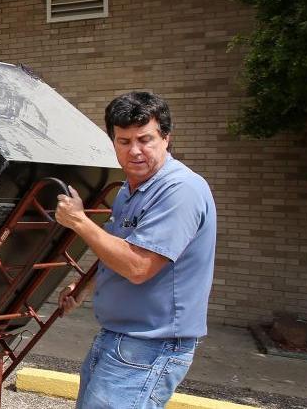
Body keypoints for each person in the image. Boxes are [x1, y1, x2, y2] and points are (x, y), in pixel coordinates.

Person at [54, 91, 216, 409]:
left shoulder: (180, 190)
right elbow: (120, 250)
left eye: (145, 139)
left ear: (166, 138)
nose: (135, 151)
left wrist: (79, 221)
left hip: (151, 346)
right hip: (118, 337)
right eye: (124, 141)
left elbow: (139, 266)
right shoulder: (132, 189)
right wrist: (86, 287)